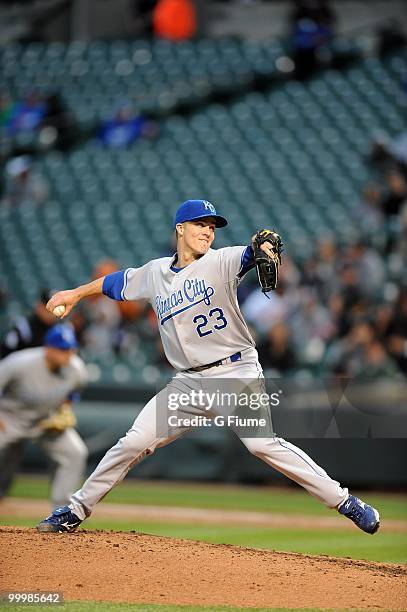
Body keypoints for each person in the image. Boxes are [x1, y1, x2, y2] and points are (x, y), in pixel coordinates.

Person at [37, 199, 380, 534]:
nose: (208, 231)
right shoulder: (155, 273)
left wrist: (262, 245)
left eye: (212, 226)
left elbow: (249, 253)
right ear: (180, 228)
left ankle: (346, 502)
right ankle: (76, 509)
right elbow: (115, 283)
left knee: (262, 445)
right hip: (187, 384)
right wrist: (75, 294)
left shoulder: (221, 261)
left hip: (234, 373)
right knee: (131, 442)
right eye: (201, 224)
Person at [0, 324, 88, 507]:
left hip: (45, 422)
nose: (68, 353)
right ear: (48, 348)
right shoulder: (20, 362)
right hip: (10, 420)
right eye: (63, 349)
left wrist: (64, 409)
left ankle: (61, 511)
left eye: (71, 348)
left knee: (75, 452)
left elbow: (73, 393)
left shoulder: (77, 369)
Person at [0, 289, 58, 499]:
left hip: (44, 402)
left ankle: (61, 501)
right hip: (13, 400)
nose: (51, 311)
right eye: (47, 305)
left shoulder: (61, 330)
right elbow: (4, 363)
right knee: (11, 449)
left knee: (66, 451)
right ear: (38, 306)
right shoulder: (24, 328)